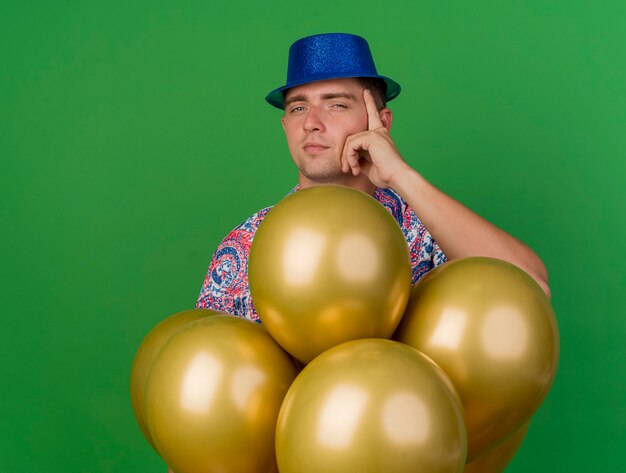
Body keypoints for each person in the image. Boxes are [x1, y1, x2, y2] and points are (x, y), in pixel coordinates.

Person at [196, 32, 550, 322]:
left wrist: (401, 176)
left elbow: (530, 287)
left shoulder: (426, 229)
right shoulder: (247, 245)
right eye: (299, 107)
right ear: (285, 125)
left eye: (336, 104)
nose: (311, 122)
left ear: (381, 122)